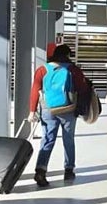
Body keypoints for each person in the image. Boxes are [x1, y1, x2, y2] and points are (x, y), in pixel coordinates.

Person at [28, 44, 89, 187]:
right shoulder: (73, 70)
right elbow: (82, 89)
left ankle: (40, 171)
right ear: (68, 55)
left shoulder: (42, 70)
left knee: (48, 139)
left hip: (48, 109)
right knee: (68, 139)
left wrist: (32, 111)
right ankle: (68, 170)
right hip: (68, 108)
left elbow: (35, 90)